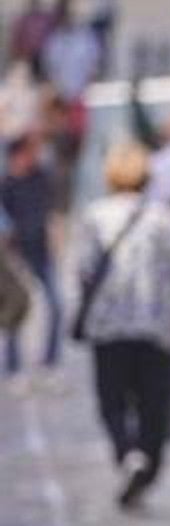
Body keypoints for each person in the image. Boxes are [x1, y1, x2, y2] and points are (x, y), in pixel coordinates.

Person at [76, 142, 170, 509]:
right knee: (153, 404)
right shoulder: (165, 218)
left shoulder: (94, 215)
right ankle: (145, 460)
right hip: (155, 325)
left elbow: (82, 268)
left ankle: (126, 452)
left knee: (111, 397)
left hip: (108, 326)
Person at [1, 133, 65, 392]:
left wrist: (56, 238)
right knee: (16, 308)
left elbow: (52, 212)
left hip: (41, 252)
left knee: (56, 306)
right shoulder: (5, 184)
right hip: (15, 255)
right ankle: (14, 367)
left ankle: (50, 364)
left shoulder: (41, 178)